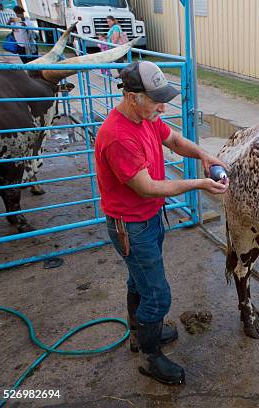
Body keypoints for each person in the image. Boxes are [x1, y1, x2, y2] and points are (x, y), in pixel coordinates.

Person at [95, 61, 229, 385]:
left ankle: (139, 334)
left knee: (137, 280)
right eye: (156, 99)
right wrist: (198, 184)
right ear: (131, 97)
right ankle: (150, 357)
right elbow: (146, 187)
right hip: (131, 225)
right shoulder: (117, 136)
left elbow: (175, 140)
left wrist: (203, 155)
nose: (163, 107)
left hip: (149, 217)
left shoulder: (146, 117)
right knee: (158, 295)